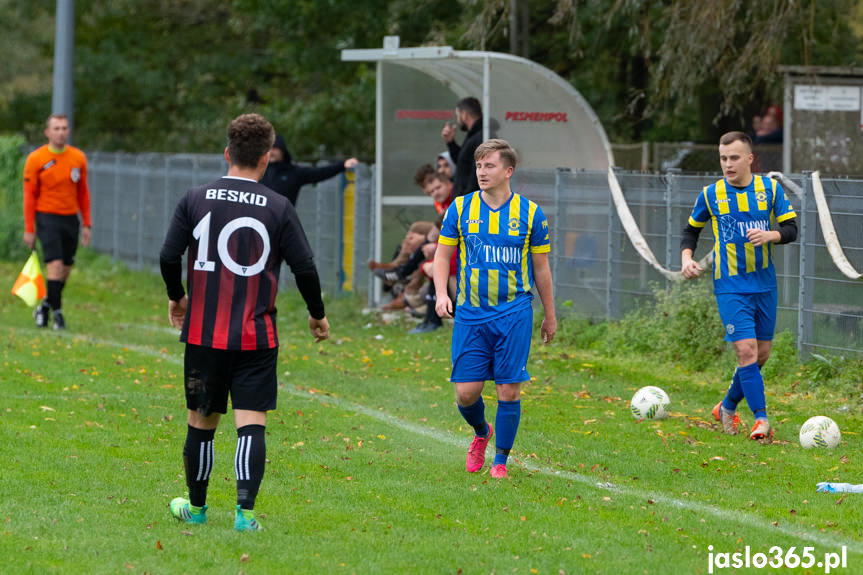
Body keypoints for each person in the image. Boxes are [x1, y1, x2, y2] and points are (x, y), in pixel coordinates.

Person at [159, 113, 330, 531]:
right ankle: (245, 515)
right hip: (257, 335)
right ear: (267, 158)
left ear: (227, 153)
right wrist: (317, 314)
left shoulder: (196, 197)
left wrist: (177, 297)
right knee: (251, 422)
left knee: (201, 421)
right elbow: (305, 267)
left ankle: (197, 511)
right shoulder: (278, 206)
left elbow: (167, 256)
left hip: (203, 334)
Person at [433, 138, 556, 478]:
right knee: (466, 393)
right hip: (471, 314)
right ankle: (481, 433)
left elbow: (541, 268)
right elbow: (442, 256)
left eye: (489, 166)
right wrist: (441, 293)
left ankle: (500, 462)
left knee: (508, 388)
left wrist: (550, 313)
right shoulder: (460, 208)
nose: (482, 172)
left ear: (508, 171)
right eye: (479, 166)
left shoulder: (530, 213)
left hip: (514, 312)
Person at [680, 131, 797, 441]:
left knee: (761, 355)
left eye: (734, 158)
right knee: (745, 351)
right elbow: (690, 231)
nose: (728, 164)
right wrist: (686, 258)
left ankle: (726, 406)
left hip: (765, 285)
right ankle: (761, 420)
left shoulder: (769, 189)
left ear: (749, 159)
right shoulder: (710, 194)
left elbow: (791, 229)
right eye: (723, 158)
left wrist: (771, 235)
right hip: (730, 285)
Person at [22, 114, 91, 331]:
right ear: (47, 132)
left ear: (68, 131)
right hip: (46, 217)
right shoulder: (36, 159)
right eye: (56, 128)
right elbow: (29, 195)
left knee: (65, 269)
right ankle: (58, 315)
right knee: (55, 264)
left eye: (64, 128)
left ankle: (45, 306)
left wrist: (87, 224)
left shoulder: (78, 158)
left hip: (70, 219)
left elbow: (83, 193)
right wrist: (29, 229)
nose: (60, 132)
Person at [260, 133, 358, 206]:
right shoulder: (259, 170)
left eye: (274, 148)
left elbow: (320, 173)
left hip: (284, 221)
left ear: (282, 150)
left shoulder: (294, 172)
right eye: (269, 149)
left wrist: (342, 165)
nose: (271, 152)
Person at [442, 97, 483, 198]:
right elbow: (464, 164)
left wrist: (466, 200)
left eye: (458, 115)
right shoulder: (474, 136)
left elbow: (476, 174)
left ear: (464, 114)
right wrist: (451, 142)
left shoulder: (480, 137)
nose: (458, 120)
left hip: (470, 205)